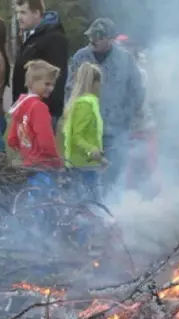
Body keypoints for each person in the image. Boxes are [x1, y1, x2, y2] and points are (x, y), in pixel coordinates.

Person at [67, 18, 144, 192]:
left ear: (111, 39)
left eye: (98, 37)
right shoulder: (81, 57)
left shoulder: (126, 60)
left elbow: (137, 92)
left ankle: (111, 210)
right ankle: (89, 209)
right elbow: (70, 90)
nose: (93, 40)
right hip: (87, 130)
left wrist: (126, 116)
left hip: (116, 130)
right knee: (86, 176)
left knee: (114, 173)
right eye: (91, 36)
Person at [11, 0, 68, 125]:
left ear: (36, 13)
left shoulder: (54, 38)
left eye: (23, 12)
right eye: (17, 13)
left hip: (40, 112)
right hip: (28, 109)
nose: (19, 17)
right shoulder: (34, 36)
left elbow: (56, 77)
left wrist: (43, 111)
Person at [60, 62, 104, 200]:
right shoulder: (85, 105)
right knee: (90, 201)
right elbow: (76, 136)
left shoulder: (85, 103)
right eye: (99, 82)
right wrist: (92, 150)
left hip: (86, 162)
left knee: (85, 201)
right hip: (83, 164)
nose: (101, 86)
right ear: (94, 83)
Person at [8, 59, 61, 169]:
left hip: (27, 163)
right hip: (42, 165)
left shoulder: (21, 104)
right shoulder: (39, 107)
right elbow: (46, 141)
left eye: (52, 85)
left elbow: (12, 138)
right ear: (32, 82)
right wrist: (57, 162)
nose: (51, 88)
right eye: (47, 84)